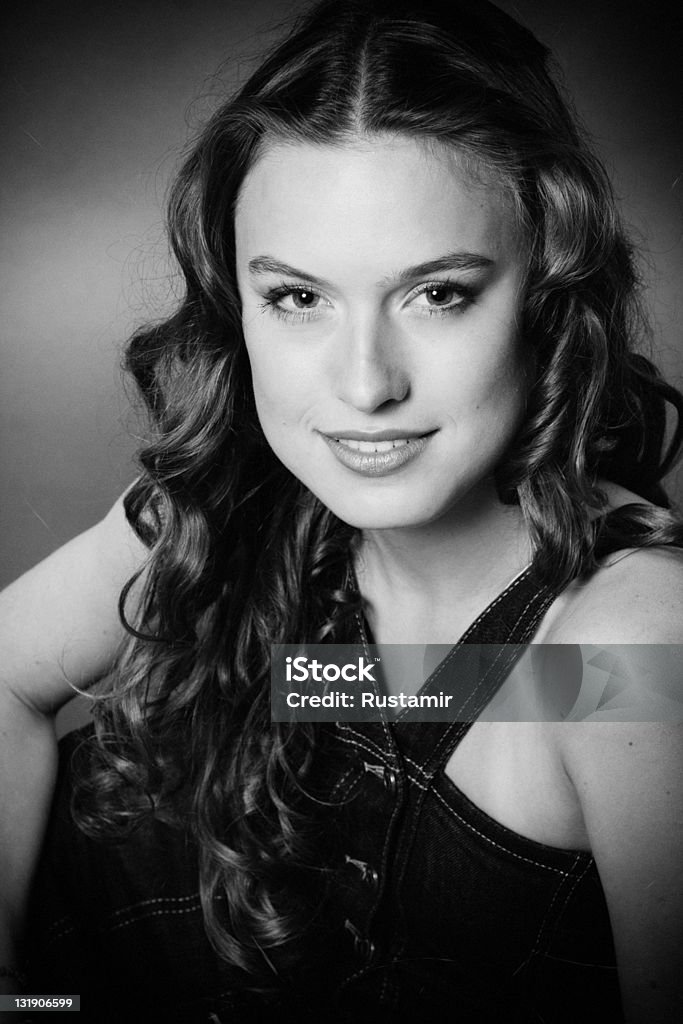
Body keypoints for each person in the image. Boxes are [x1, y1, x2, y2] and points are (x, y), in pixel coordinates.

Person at [1, 0, 682, 1020]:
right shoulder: (229, 510)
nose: (364, 386)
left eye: (436, 293)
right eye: (297, 298)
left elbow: (535, 698)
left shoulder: (627, 643)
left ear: (544, 294)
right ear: (236, 304)